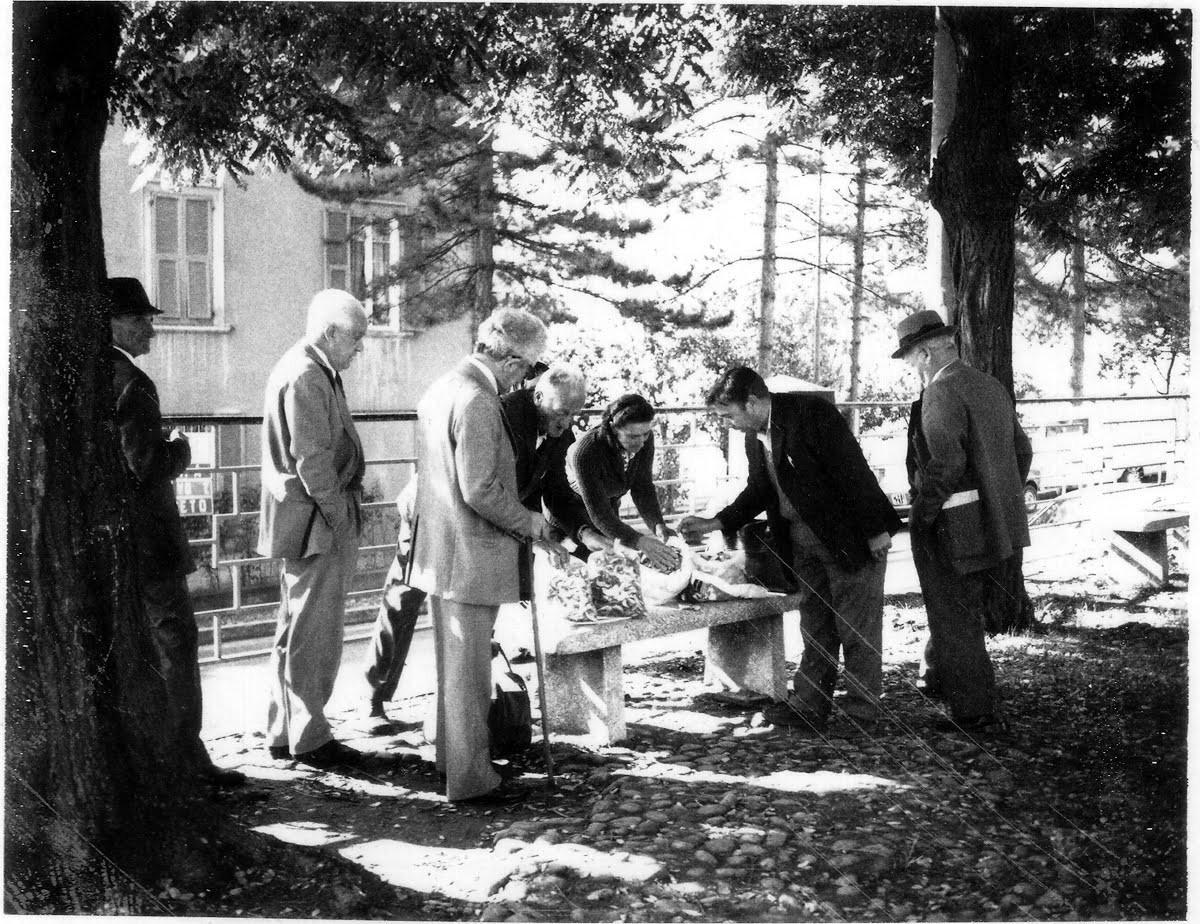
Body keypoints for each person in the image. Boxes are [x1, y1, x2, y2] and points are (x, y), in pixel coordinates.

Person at [358, 361, 593, 732]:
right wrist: (534, 529)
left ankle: (460, 719)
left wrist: (578, 538)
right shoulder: (504, 412)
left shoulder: (557, 428)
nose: (567, 423)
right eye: (563, 412)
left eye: (575, 413)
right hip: (435, 508)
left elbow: (554, 494)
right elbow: (489, 486)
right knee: (405, 600)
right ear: (539, 395)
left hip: (487, 516)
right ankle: (376, 697)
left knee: (474, 617)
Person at [680, 367, 901, 733]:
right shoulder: (754, 435)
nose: (728, 424)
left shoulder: (811, 414)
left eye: (728, 415)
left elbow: (853, 471)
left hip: (849, 538)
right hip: (800, 542)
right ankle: (809, 706)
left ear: (752, 402)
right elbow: (759, 491)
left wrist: (876, 531)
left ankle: (863, 715)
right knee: (815, 626)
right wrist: (714, 522)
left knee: (857, 629)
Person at [407, 308, 568, 803]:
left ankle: (449, 761)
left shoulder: (442, 387)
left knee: (452, 671)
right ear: (512, 358)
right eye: (527, 366)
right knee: (469, 675)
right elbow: (480, 489)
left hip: (441, 552)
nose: (525, 377)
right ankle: (471, 779)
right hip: (469, 556)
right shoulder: (478, 399)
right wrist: (532, 523)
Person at [105, 276, 245, 787]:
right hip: (152, 545)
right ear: (114, 321)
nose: (151, 331)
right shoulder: (131, 383)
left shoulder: (87, 374)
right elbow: (145, 466)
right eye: (141, 319)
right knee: (176, 646)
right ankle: (186, 762)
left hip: (116, 545)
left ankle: (158, 761)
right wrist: (181, 448)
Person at [893, 309, 1033, 734]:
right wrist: (998, 497)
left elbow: (945, 463)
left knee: (954, 615)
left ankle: (975, 712)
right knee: (964, 610)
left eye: (910, 360)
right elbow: (1022, 450)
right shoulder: (990, 385)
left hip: (954, 526)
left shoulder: (940, 392)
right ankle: (940, 678)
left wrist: (921, 515)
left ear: (924, 353)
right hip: (998, 524)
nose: (911, 369)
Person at [258, 289, 369, 767]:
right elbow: (313, 460)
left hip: (308, 519)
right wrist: (339, 517)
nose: (359, 349)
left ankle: (287, 731)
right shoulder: (307, 374)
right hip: (318, 522)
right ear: (330, 333)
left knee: (297, 627)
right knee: (315, 632)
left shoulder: (310, 367)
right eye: (356, 339)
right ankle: (311, 737)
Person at [565, 393, 680, 572]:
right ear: (613, 428)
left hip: (607, 511)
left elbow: (642, 487)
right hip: (572, 514)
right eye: (633, 437)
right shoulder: (586, 451)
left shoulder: (642, 438)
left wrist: (658, 524)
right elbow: (600, 514)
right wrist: (640, 541)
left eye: (646, 434)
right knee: (580, 574)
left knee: (613, 574)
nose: (641, 442)